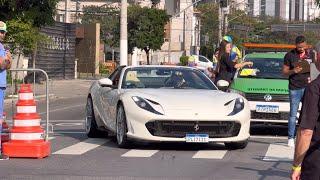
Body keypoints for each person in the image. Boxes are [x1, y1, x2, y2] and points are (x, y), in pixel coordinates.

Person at [282, 35, 315, 147]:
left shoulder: (311, 54)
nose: (301, 49)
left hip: (308, 87)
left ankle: (306, 137)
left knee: (308, 113)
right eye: (299, 47)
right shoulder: (289, 55)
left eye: (303, 46)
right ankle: (291, 138)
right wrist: (294, 70)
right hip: (294, 88)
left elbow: (316, 68)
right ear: (295, 45)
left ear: (306, 44)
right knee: (293, 114)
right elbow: (284, 72)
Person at [291, 54, 320, 180]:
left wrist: (296, 166)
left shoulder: (314, 87)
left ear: (318, 58)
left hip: (316, 162)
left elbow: (306, 132)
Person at [0, 21, 11, 160]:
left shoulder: (2, 46)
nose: (2, 34)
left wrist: (7, 59)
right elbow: (2, 64)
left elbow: (7, 65)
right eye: (0, 31)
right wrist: (7, 59)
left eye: (3, 32)